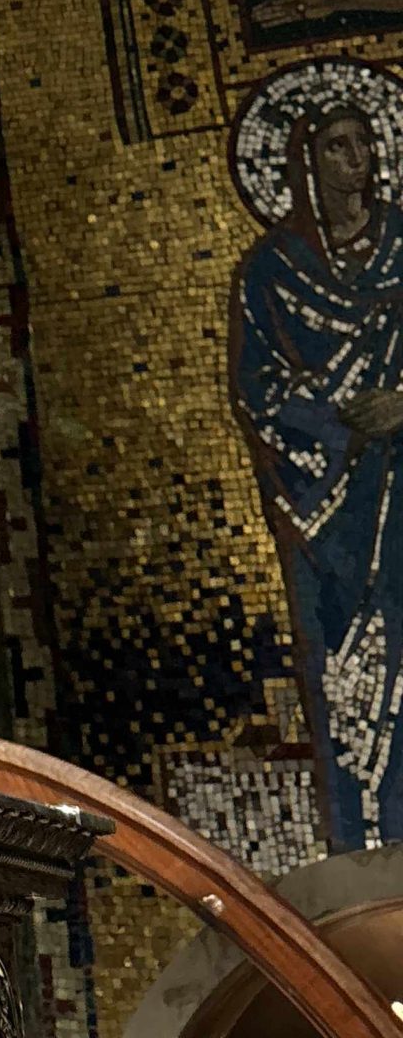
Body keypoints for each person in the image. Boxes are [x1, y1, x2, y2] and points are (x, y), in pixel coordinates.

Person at [232, 98, 403, 842]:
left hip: (401, 493)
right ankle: (354, 839)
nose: (354, 158)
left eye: (363, 142)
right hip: (321, 507)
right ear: (307, 162)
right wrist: (337, 420)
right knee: (336, 665)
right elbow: (257, 388)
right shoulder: (272, 269)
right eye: (336, 145)